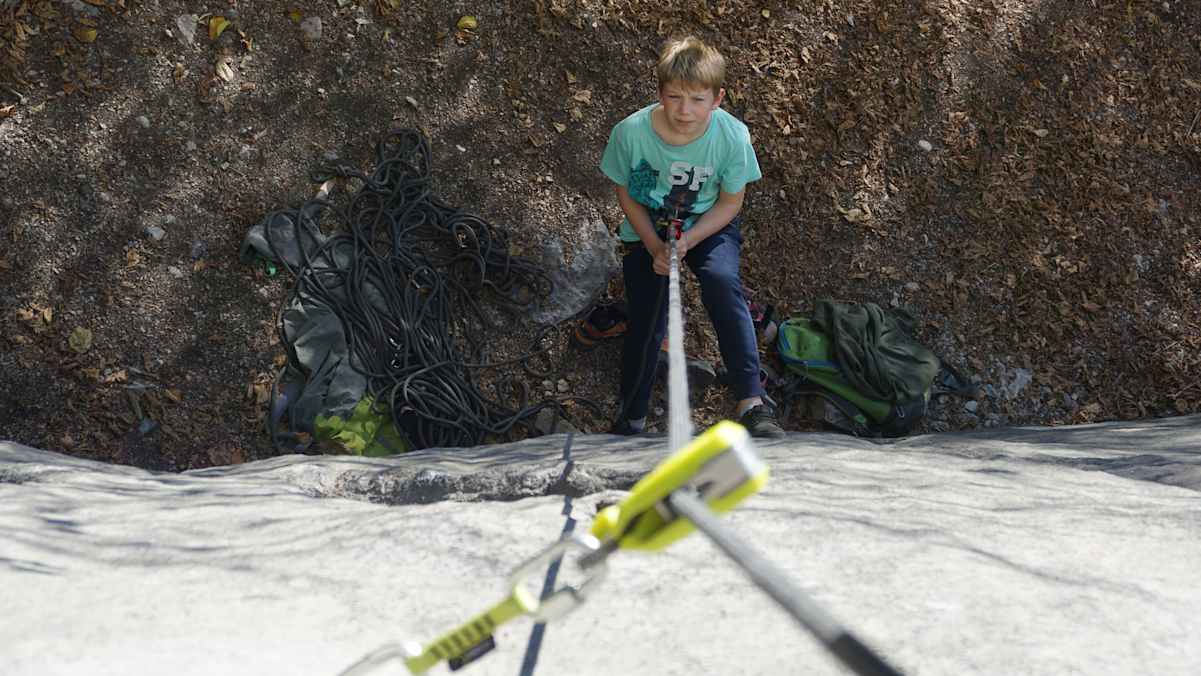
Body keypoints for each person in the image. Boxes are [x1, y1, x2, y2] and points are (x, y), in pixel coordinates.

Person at [599, 35, 784, 439]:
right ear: (660, 94)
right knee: (649, 309)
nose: (685, 111)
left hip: (708, 222)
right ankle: (632, 414)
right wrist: (653, 245)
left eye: (698, 100)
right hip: (649, 224)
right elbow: (627, 193)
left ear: (717, 99)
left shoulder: (732, 137)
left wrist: (689, 241)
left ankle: (751, 401)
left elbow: (730, 203)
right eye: (675, 97)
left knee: (721, 281)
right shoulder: (632, 134)